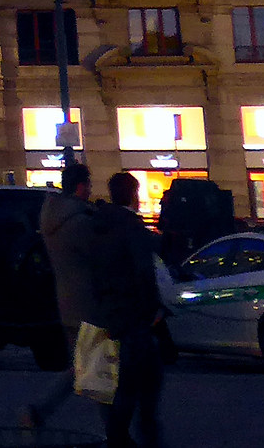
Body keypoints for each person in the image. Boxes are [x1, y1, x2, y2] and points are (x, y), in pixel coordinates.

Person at [88, 174, 165, 448]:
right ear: (134, 194)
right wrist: (152, 308)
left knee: (123, 382)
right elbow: (144, 272)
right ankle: (127, 437)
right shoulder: (132, 228)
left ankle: (120, 436)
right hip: (133, 314)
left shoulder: (98, 225)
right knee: (142, 382)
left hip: (107, 311)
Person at [24, 161, 97, 432]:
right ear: (80, 187)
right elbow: (98, 259)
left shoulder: (52, 218)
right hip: (90, 303)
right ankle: (38, 410)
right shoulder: (80, 222)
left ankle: (39, 411)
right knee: (95, 373)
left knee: (86, 369)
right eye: (88, 185)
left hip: (66, 302)